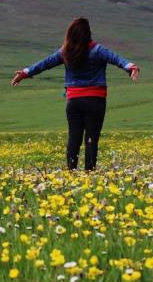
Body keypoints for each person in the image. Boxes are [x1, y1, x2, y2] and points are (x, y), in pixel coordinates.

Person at [11, 17, 140, 171]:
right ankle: (89, 172)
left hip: (74, 101)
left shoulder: (65, 52)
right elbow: (116, 59)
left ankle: (71, 171)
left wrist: (25, 73)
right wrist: (130, 67)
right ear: (88, 33)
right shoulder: (98, 50)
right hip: (95, 100)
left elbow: (45, 63)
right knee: (92, 137)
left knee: (74, 136)